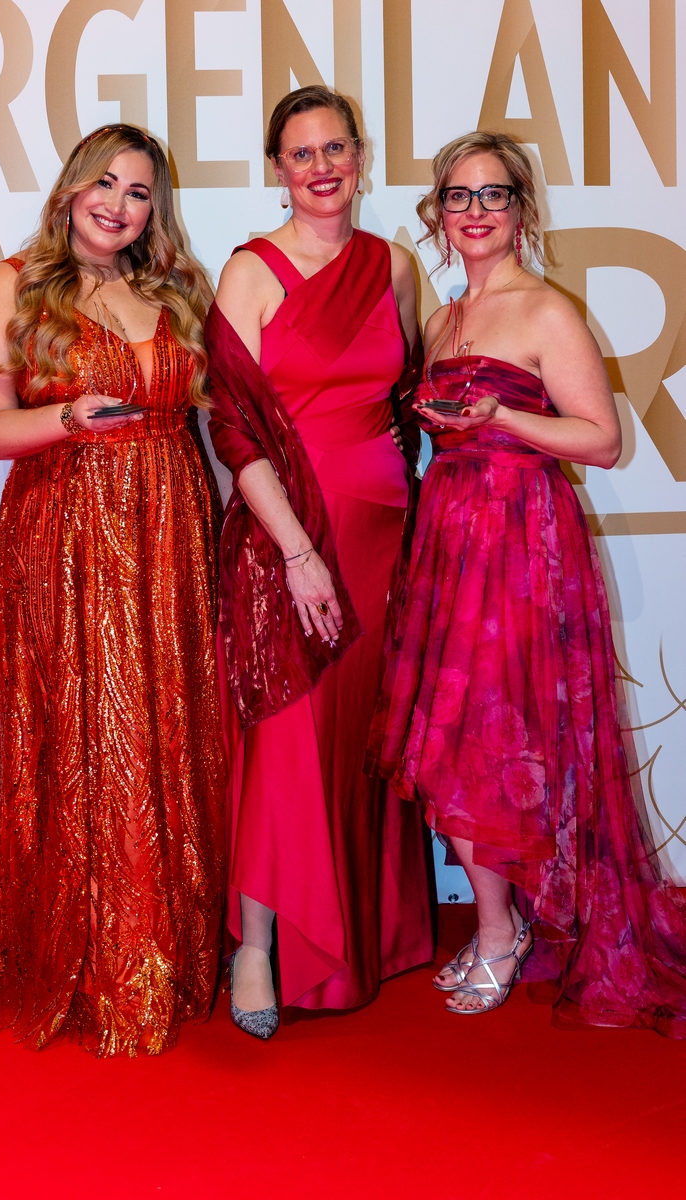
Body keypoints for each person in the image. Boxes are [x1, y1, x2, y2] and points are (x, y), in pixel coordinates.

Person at [368, 131, 686, 1033]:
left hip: (522, 541)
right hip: (450, 535)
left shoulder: (546, 311)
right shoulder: (441, 320)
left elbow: (602, 441)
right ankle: (501, 924)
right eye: (458, 196)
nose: (475, 211)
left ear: (520, 211)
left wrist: (503, 414)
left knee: (499, 735)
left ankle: (502, 934)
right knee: (453, 739)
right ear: (438, 212)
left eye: (493, 195)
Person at [0, 124, 225, 1056]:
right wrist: (68, 415)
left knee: (166, 727)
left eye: (139, 192)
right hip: (67, 526)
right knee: (84, 728)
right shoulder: (13, 284)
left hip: (172, 528)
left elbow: (208, 425)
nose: (118, 204)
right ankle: (92, 954)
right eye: (104, 183)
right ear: (70, 190)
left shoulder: (173, 289)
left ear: (155, 210)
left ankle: (168, 950)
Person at [206, 86, 433, 1039]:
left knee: (360, 732)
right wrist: (297, 551)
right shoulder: (250, 271)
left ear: (360, 156)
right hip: (285, 533)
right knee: (285, 737)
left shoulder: (395, 266)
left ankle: (367, 928)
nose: (322, 167)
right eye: (301, 154)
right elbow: (232, 427)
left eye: (336, 148)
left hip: (383, 535)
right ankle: (259, 945)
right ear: (277, 170)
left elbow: (412, 393)